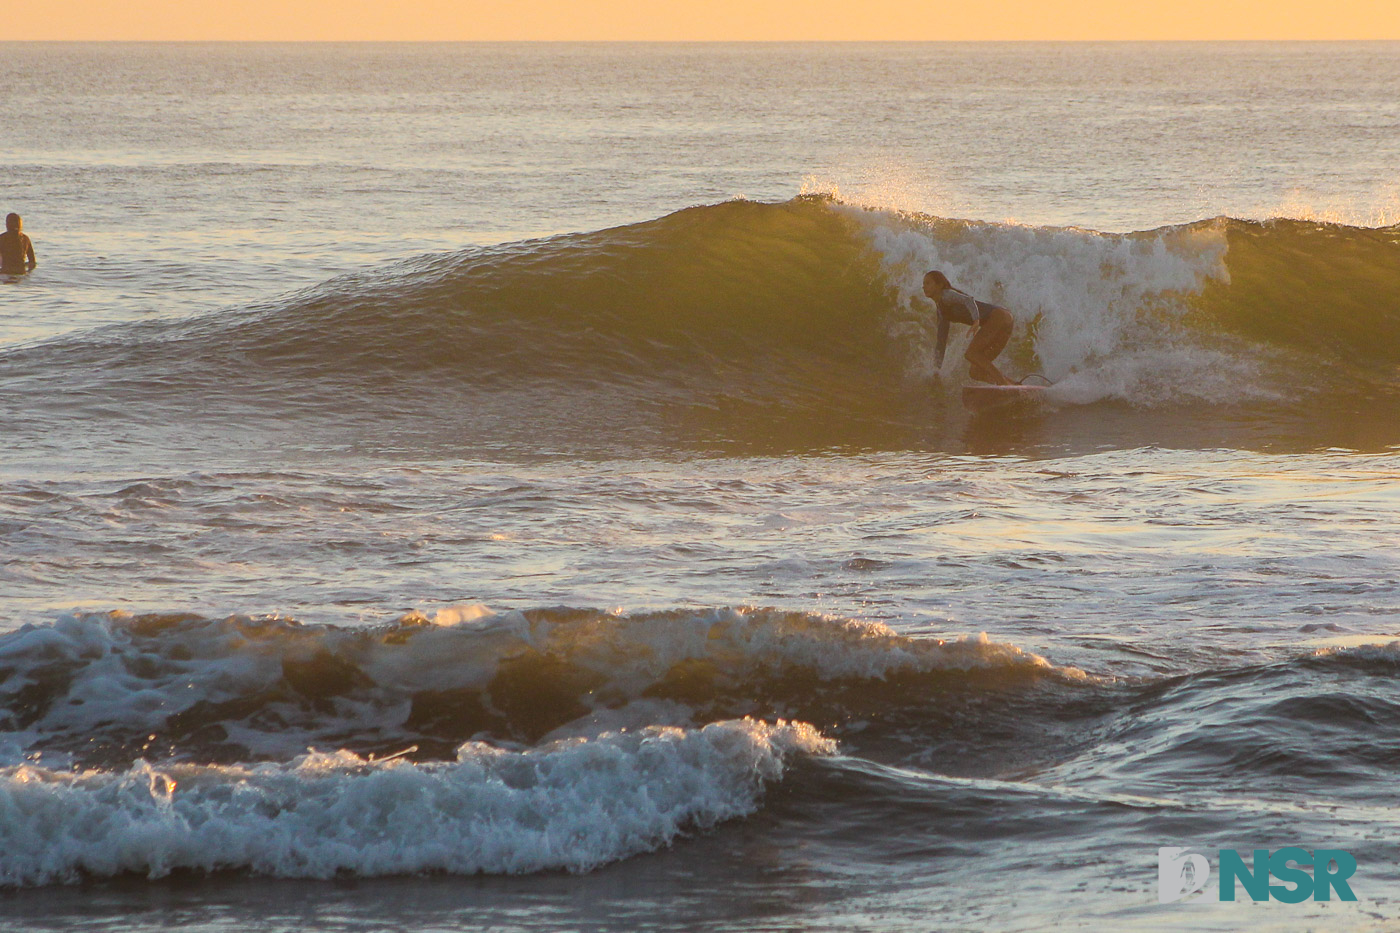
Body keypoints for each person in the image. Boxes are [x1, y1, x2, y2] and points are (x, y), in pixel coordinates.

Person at [923, 270, 1014, 385]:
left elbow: (968, 300)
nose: (924, 287)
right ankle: (1012, 385)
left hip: (998, 317)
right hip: (1005, 321)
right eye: (923, 284)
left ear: (940, 285)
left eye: (928, 283)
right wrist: (936, 370)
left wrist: (976, 320)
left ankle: (1003, 384)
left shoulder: (947, 295)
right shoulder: (942, 312)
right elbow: (941, 342)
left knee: (972, 353)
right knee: (975, 372)